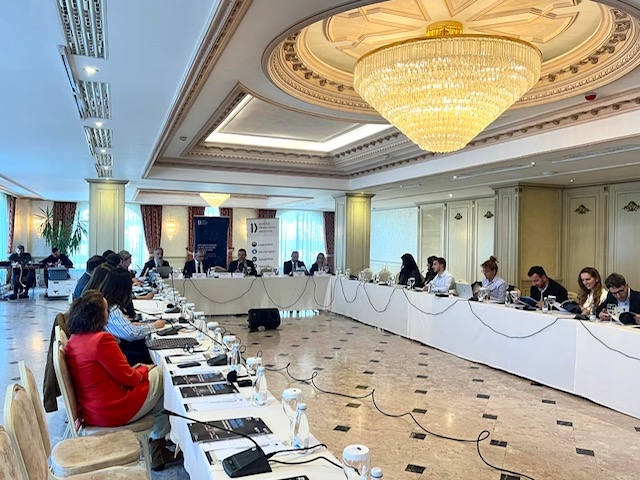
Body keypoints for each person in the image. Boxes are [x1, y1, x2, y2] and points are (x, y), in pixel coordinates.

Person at [64, 290, 178, 470]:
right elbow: (130, 379)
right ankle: (158, 446)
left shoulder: (74, 340)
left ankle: (158, 443)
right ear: (98, 316)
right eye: (106, 310)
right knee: (163, 374)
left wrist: (137, 370)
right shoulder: (101, 340)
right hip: (113, 410)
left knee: (154, 378)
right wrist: (143, 369)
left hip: (93, 411)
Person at [98, 267, 165, 365]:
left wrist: (149, 324)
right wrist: (154, 326)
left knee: (145, 344)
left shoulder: (106, 302)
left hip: (110, 348)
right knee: (147, 352)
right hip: (114, 353)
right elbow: (132, 333)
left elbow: (127, 327)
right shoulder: (112, 310)